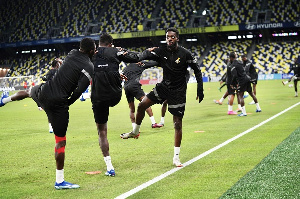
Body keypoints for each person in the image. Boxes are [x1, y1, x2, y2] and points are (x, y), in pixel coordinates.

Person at [120, 28, 204, 167]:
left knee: (177, 124)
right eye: (167, 37)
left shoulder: (185, 54)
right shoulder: (161, 51)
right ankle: (135, 131)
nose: (169, 39)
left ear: (177, 38)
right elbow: (141, 57)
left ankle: (176, 157)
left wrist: (200, 88)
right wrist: (130, 53)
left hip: (178, 92)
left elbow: (197, 69)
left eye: (172, 37)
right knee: (142, 105)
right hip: (163, 87)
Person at [30, 38, 95, 189]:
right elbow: (79, 90)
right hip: (59, 102)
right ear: (92, 51)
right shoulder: (89, 66)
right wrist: (68, 102)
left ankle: (8, 100)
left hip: (45, 93)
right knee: (60, 141)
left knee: (33, 91)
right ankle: (59, 181)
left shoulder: (72, 53)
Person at [91, 33, 141, 177]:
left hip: (98, 97)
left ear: (99, 43)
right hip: (114, 96)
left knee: (102, 132)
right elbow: (134, 57)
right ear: (111, 44)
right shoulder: (115, 50)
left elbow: (97, 69)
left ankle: (109, 167)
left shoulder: (91, 53)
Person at [0, 58, 63, 133]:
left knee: (28, 93)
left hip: (48, 92)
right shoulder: (56, 72)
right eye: (61, 63)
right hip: (50, 93)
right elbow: (48, 78)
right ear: (57, 65)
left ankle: (4, 100)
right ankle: (51, 127)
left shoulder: (58, 72)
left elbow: (46, 78)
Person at [123, 60, 163, 129]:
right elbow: (153, 63)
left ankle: (134, 128)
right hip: (134, 85)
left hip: (126, 87)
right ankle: (153, 123)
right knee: (145, 102)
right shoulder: (140, 65)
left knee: (132, 109)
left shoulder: (126, 68)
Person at [229, 52, 261, 117]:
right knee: (251, 93)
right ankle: (258, 108)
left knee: (240, 95)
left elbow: (234, 75)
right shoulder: (240, 62)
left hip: (242, 80)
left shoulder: (233, 65)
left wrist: (232, 84)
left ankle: (244, 112)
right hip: (247, 78)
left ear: (231, 58)